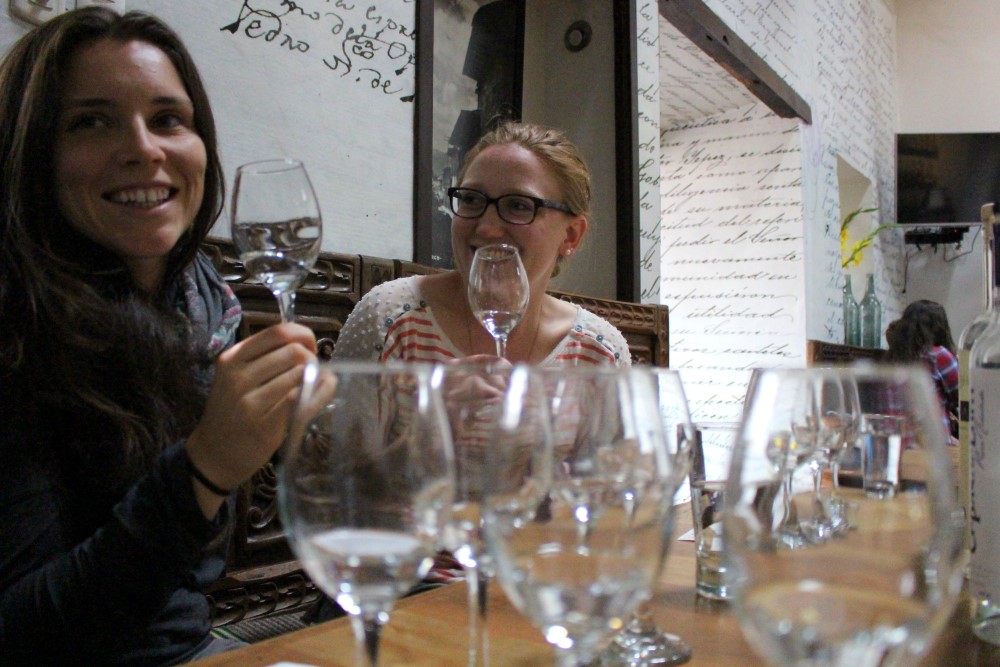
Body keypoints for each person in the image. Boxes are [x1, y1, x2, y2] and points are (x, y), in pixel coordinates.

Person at [0, 8, 321, 664]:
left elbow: (186, 586)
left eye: (169, 119)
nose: (144, 148)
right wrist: (204, 468)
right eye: (91, 122)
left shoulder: (202, 300)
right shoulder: (14, 327)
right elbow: (21, 637)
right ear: (34, 152)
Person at [333, 120, 630, 367]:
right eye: (472, 199)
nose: (487, 228)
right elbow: (336, 423)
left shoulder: (598, 351)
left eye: (518, 205)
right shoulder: (390, 318)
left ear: (571, 235)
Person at [885, 300, 959, 437]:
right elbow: (963, 396)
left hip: (896, 441)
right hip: (931, 442)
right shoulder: (938, 356)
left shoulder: (892, 359)